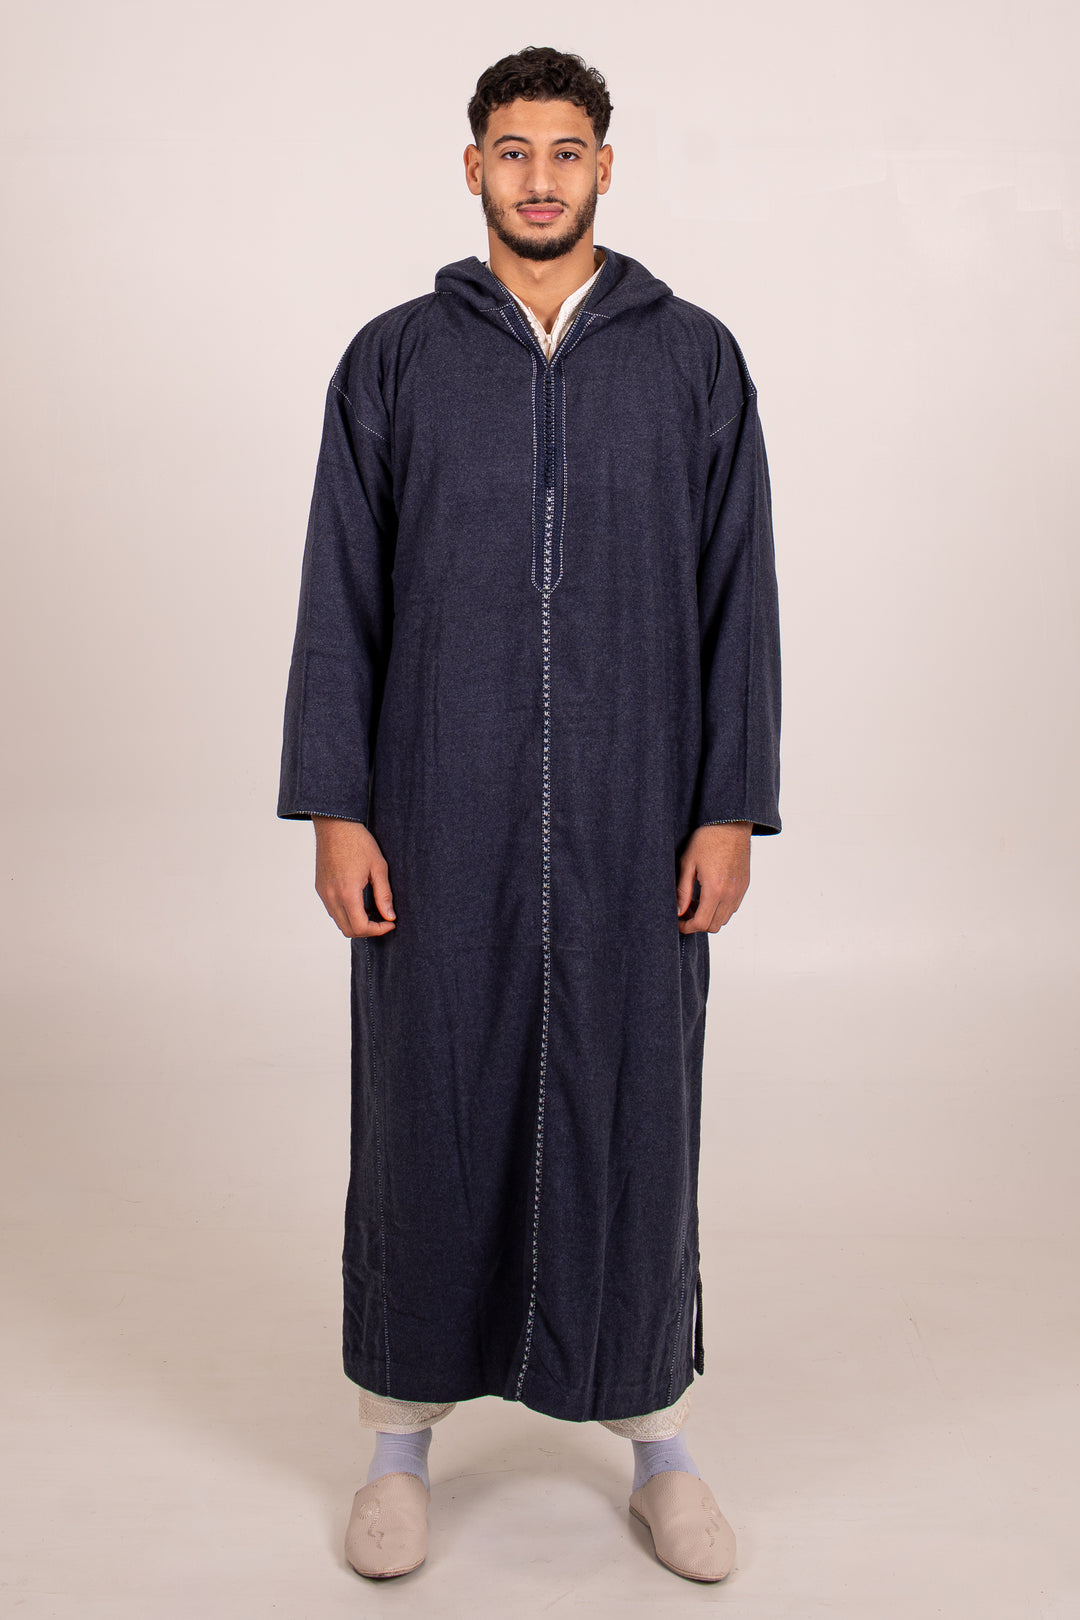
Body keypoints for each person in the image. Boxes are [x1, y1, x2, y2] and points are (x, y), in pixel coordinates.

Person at [277, 44, 782, 1584]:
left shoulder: (693, 360)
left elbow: (739, 596)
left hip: (639, 809)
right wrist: (337, 806)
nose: (541, 178)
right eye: (514, 151)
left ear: (605, 167)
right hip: (439, 802)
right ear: (474, 167)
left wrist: (730, 805)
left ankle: (657, 1436)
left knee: (636, 1106)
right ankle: (397, 1440)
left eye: (567, 151)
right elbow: (340, 592)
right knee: (423, 1104)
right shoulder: (394, 361)